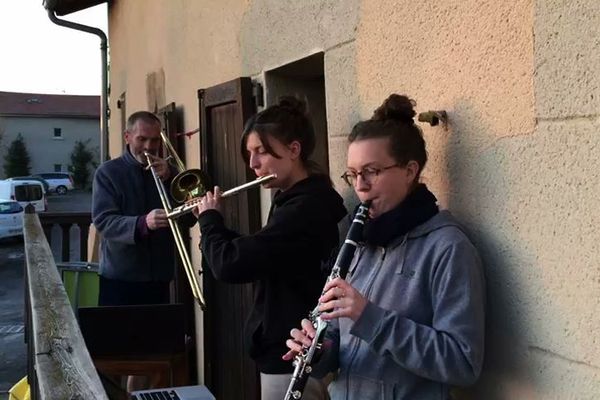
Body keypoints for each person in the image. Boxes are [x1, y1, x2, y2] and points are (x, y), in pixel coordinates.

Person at [284, 94, 486, 399]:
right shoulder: (360, 242)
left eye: (371, 171)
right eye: (352, 174)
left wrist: (369, 317)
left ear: (409, 170)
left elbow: (462, 362)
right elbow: (340, 342)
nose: (360, 185)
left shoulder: (448, 248)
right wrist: (320, 351)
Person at [195, 97, 347, 400]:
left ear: (294, 150)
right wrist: (216, 227)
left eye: (261, 152)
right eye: (249, 154)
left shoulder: (305, 208)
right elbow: (265, 254)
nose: (252, 164)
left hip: (293, 355)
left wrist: (211, 222)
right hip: (289, 349)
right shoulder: (293, 200)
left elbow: (230, 265)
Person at [92, 111, 178, 307]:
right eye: (142, 139)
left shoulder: (167, 171)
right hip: (120, 279)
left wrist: (172, 176)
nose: (148, 147)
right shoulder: (108, 173)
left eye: (154, 140)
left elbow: (188, 218)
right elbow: (103, 222)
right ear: (127, 137)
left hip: (159, 277)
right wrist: (143, 223)